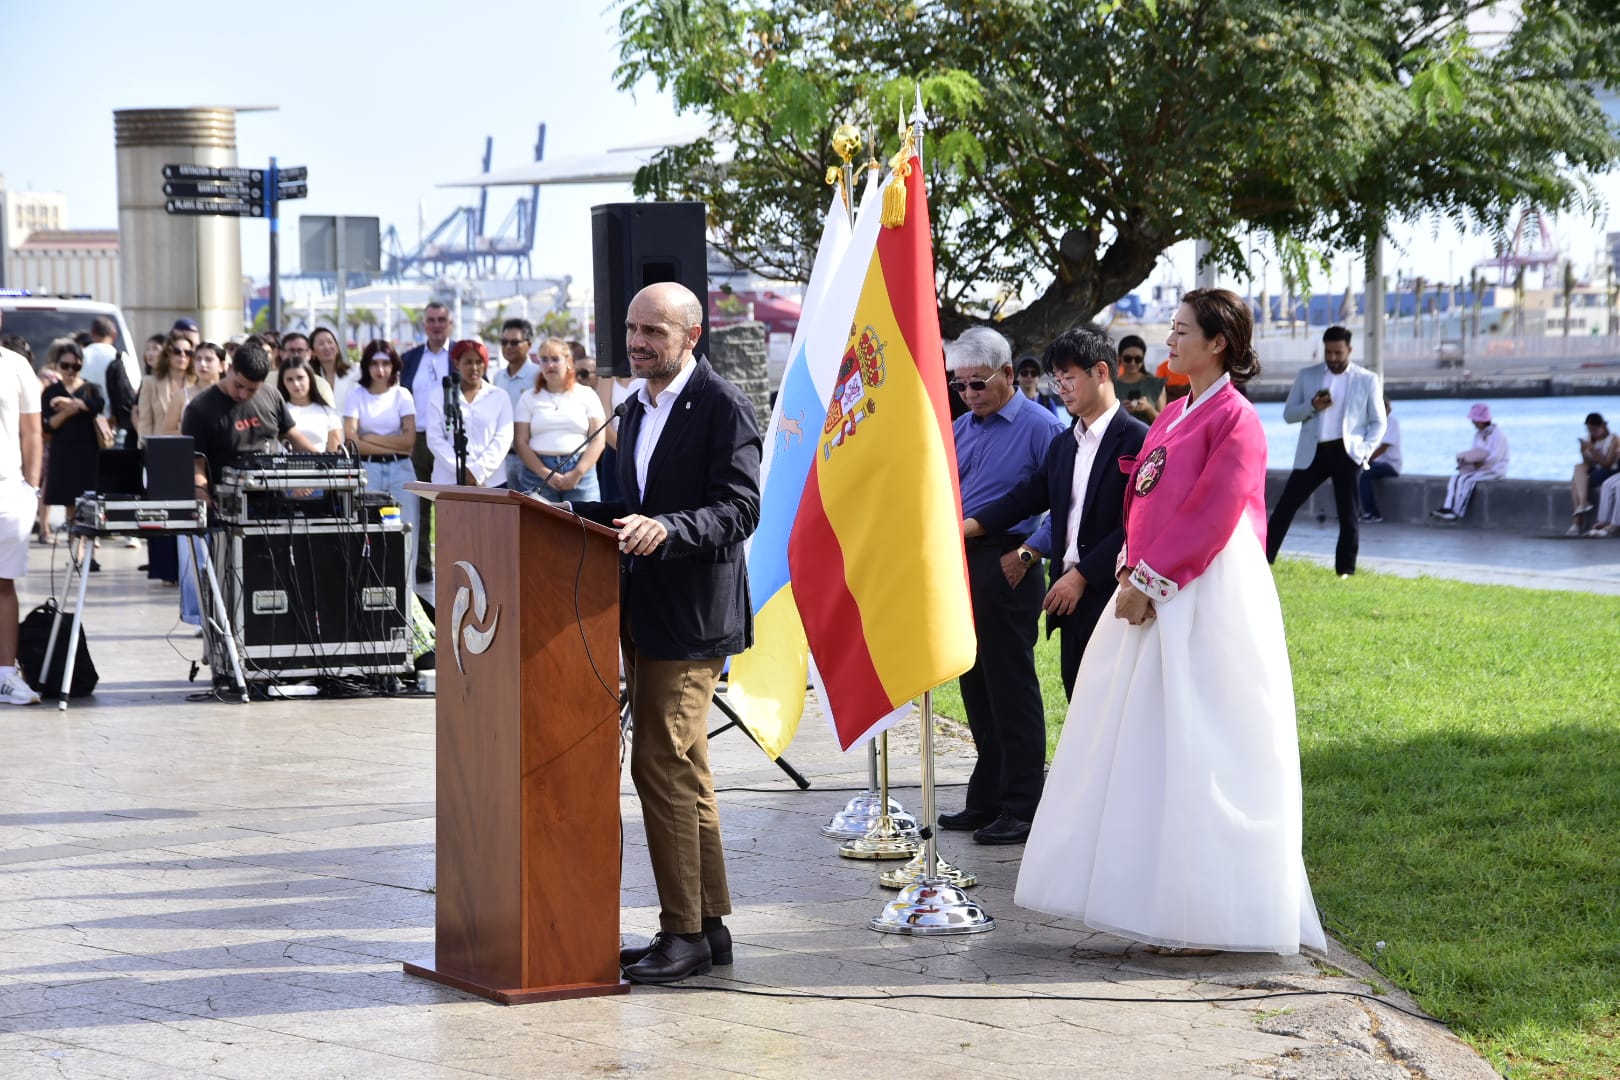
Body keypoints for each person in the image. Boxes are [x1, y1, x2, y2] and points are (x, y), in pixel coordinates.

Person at [1016, 287, 1326, 957]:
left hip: (1207, 591)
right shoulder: (1172, 414)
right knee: (1148, 744)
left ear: (1218, 343)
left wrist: (1151, 581)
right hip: (1152, 585)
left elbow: (1215, 513)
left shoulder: (1237, 419)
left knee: (1203, 742)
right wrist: (1130, 569)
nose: (1169, 342)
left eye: (1181, 331)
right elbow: (1141, 500)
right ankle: (1162, 904)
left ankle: (1213, 914)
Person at [573, 282, 761, 985]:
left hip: (692, 618)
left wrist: (669, 530)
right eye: (631, 329)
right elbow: (641, 501)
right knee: (686, 770)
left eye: (654, 330)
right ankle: (707, 928)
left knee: (659, 763)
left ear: (692, 334)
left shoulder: (722, 406)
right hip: (641, 609)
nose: (638, 342)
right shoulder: (634, 405)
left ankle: (679, 932)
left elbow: (740, 509)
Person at [964, 326, 1148, 698]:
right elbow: (1024, 498)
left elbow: (1134, 526)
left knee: (1114, 706)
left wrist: (1081, 576)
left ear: (1100, 373)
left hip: (1113, 591)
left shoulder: (1140, 439)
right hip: (1067, 598)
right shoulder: (1065, 444)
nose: (1061, 388)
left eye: (1069, 378)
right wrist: (963, 528)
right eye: (1056, 379)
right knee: (1077, 701)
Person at [938, 326, 1065, 846]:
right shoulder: (963, 427)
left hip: (1010, 557)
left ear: (1009, 374)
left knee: (1011, 686)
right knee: (975, 683)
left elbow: (1068, 506)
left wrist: (1030, 551)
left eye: (977, 384)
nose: (968, 395)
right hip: (961, 557)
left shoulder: (1043, 428)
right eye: (959, 385)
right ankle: (986, 796)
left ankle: (1022, 803)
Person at [1265, 326, 1385, 576]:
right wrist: (1312, 406)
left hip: (1348, 453)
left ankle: (1345, 571)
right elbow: (1288, 414)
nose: (1332, 358)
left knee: (1348, 514)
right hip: (1314, 452)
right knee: (1285, 506)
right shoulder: (1307, 376)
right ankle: (1265, 560)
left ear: (1349, 350)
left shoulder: (1367, 379)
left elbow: (1378, 422)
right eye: (1328, 352)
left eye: (1338, 353)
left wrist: (1364, 451)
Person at [343, 341, 420, 573]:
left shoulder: (402, 395)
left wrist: (370, 437)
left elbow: (409, 442)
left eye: (385, 363)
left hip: (401, 470)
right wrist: (392, 444)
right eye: (374, 363)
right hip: (369, 471)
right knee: (368, 535)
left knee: (406, 535)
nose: (380, 369)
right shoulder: (356, 395)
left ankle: (409, 600)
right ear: (366, 366)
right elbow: (351, 441)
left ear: (393, 365)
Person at [0, 317, 43, 705]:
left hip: (7, 493)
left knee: (3, 583)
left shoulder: (16, 366)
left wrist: (31, 488)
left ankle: (5, 674)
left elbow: (32, 431)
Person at [512, 337, 606, 503]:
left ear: (568, 361)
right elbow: (520, 442)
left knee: (585, 526)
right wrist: (545, 473)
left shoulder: (587, 394)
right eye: (544, 360)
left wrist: (577, 473)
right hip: (537, 474)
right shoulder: (528, 398)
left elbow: (598, 439)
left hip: (581, 473)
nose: (550, 365)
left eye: (555, 359)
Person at [401, 302, 453, 584]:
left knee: (450, 506)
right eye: (431, 320)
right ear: (424, 325)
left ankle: (451, 564)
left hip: (449, 440)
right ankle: (422, 568)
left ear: (449, 323)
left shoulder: (459, 356)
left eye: (441, 319)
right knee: (419, 505)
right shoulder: (409, 359)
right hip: (417, 440)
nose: (436, 325)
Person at [40, 340, 105, 553]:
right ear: (57, 365)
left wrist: (69, 403)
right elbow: (49, 424)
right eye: (65, 366)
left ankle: (91, 548)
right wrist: (68, 411)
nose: (70, 371)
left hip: (88, 450)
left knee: (90, 499)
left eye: (75, 366)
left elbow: (98, 406)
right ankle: (75, 550)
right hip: (64, 451)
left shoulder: (90, 388)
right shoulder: (51, 392)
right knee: (69, 502)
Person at [425, 340, 512, 487]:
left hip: (491, 482)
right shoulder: (439, 396)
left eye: (479, 362)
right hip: (449, 481)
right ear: (457, 363)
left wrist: (477, 472)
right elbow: (435, 438)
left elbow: (503, 439)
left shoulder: (499, 396)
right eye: (468, 362)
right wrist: (461, 470)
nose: (474, 368)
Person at [1432, 403, 1508, 521]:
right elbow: (1475, 452)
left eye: (1475, 420)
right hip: (1480, 469)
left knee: (1466, 480)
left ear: (1482, 420)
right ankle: (1448, 507)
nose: (1473, 422)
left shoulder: (1498, 435)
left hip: (1495, 469)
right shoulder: (1478, 435)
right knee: (1455, 478)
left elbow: (1496, 457)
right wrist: (1466, 462)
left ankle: (1457, 511)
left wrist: (1482, 463)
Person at [489, 318, 537, 489]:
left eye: (515, 342)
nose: (508, 347)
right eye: (504, 342)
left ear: (529, 344)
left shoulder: (538, 375)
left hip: (530, 458)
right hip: (502, 458)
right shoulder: (498, 377)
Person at [276, 355, 342, 452]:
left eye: (300, 378)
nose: (296, 384)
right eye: (290, 379)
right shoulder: (277, 412)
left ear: (310, 378)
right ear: (283, 382)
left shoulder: (328, 412)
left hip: (322, 466)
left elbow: (336, 453)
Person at [1569, 412, 1618, 534]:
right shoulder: (1589, 439)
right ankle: (1583, 503)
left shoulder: (1614, 440)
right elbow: (1587, 463)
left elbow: (1607, 464)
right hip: (1595, 468)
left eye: (1594, 429)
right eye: (1589, 430)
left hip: (1609, 470)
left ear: (1603, 426)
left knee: (1576, 483)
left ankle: (1578, 520)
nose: (1592, 433)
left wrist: (1594, 451)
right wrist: (1584, 451)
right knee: (1578, 468)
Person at [1358, 396, 1401, 524]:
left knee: (1364, 474)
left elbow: (1384, 447)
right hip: (1375, 463)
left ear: (1389, 410)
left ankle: (1373, 513)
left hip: (1390, 464)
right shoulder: (1372, 424)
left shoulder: (1392, 423)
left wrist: (1367, 460)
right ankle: (1353, 510)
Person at [1112, 334, 1165, 422]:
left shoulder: (1155, 384)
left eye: (1138, 359)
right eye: (1128, 358)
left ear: (1143, 358)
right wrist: (1118, 411)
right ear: (1120, 358)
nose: (1132, 363)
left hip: (1148, 435)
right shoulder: (1111, 385)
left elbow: (1164, 423)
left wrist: (1148, 409)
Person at [308, 326, 357, 414]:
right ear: (313, 353)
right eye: (321, 344)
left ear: (337, 347)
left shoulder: (355, 371)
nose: (327, 347)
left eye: (330, 342)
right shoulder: (310, 379)